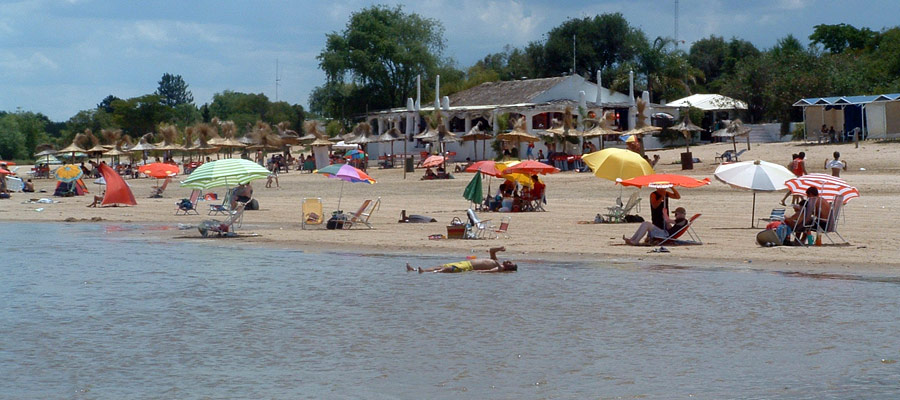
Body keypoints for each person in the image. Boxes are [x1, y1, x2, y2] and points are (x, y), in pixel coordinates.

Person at [406, 247, 517, 273]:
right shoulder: (496, 260)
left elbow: (487, 272)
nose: (509, 261)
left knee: (447, 269)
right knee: (441, 266)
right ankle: (417, 270)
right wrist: (499, 248)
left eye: (510, 263)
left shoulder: (499, 268)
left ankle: (428, 273)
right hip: (465, 262)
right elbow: (491, 251)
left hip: (468, 267)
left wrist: (478, 272)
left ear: (509, 268)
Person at [624, 207, 689, 245]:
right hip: (666, 234)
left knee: (646, 224)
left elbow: (668, 220)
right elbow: (671, 228)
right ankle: (633, 239)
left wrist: (664, 213)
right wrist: (667, 223)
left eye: (676, 214)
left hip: (665, 235)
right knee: (644, 223)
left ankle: (636, 241)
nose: (675, 216)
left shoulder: (682, 220)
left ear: (681, 214)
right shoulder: (681, 221)